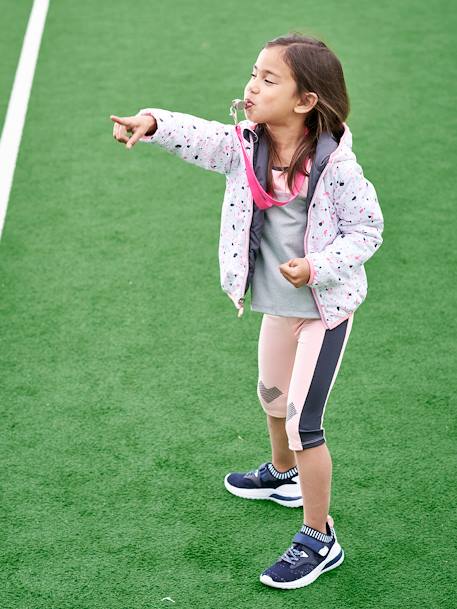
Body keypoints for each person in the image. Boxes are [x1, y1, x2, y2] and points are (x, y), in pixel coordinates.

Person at [110, 33, 384, 590]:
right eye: (254, 74)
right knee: (270, 395)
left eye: (268, 79)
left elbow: (368, 230)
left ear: (306, 101)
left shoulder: (337, 168)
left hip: (323, 311)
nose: (252, 85)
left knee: (305, 421)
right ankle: (283, 475)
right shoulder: (246, 145)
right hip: (277, 308)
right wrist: (154, 122)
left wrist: (318, 266)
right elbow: (202, 137)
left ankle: (319, 535)